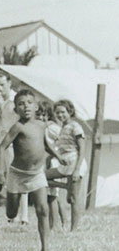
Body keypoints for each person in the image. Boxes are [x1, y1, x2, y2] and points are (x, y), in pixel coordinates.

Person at [0, 90, 67, 251]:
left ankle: (45, 248)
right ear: (16, 110)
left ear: (35, 106)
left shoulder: (41, 125)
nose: (25, 106)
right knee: (11, 214)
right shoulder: (18, 127)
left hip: (36, 174)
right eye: (20, 104)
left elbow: (46, 145)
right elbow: (1, 147)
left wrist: (58, 157)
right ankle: (14, 199)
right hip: (17, 174)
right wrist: (0, 173)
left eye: (28, 102)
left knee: (43, 210)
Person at [0, 72, 28, 225]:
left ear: (9, 84)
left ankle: (24, 216)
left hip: (16, 142)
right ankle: (13, 215)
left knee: (20, 178)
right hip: (2, 143)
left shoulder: (17, 100)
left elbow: (21, 120)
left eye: (2, 85)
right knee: (8, 178)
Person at [45, 99, 86, 231]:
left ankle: (74, 229)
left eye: (63, 112)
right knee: (42, 177)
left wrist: (77, 170)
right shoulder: (62, 128)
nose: (60, 115)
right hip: (65, 162)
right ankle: (66, 186)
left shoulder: (75, 126)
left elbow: (82, 149)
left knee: (73, 199)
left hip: (75, 162)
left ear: (70, 112)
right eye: (57, 113)